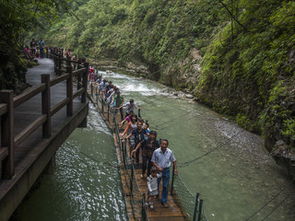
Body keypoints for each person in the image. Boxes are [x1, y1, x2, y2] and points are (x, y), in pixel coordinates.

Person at [151, 139, 177, 207]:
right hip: (158, 170)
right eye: (163, 144)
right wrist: (157, 167)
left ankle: (164, 200)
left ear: (167, 145)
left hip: (166, 170)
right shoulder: (156, 151)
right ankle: (156, 194)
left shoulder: (170, 152)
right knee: (156, 183)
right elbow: (153, 161)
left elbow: (174, 160)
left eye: (165, 144)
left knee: (165, 186)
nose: (164, 146)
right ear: (160, 144)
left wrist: (175, 169)